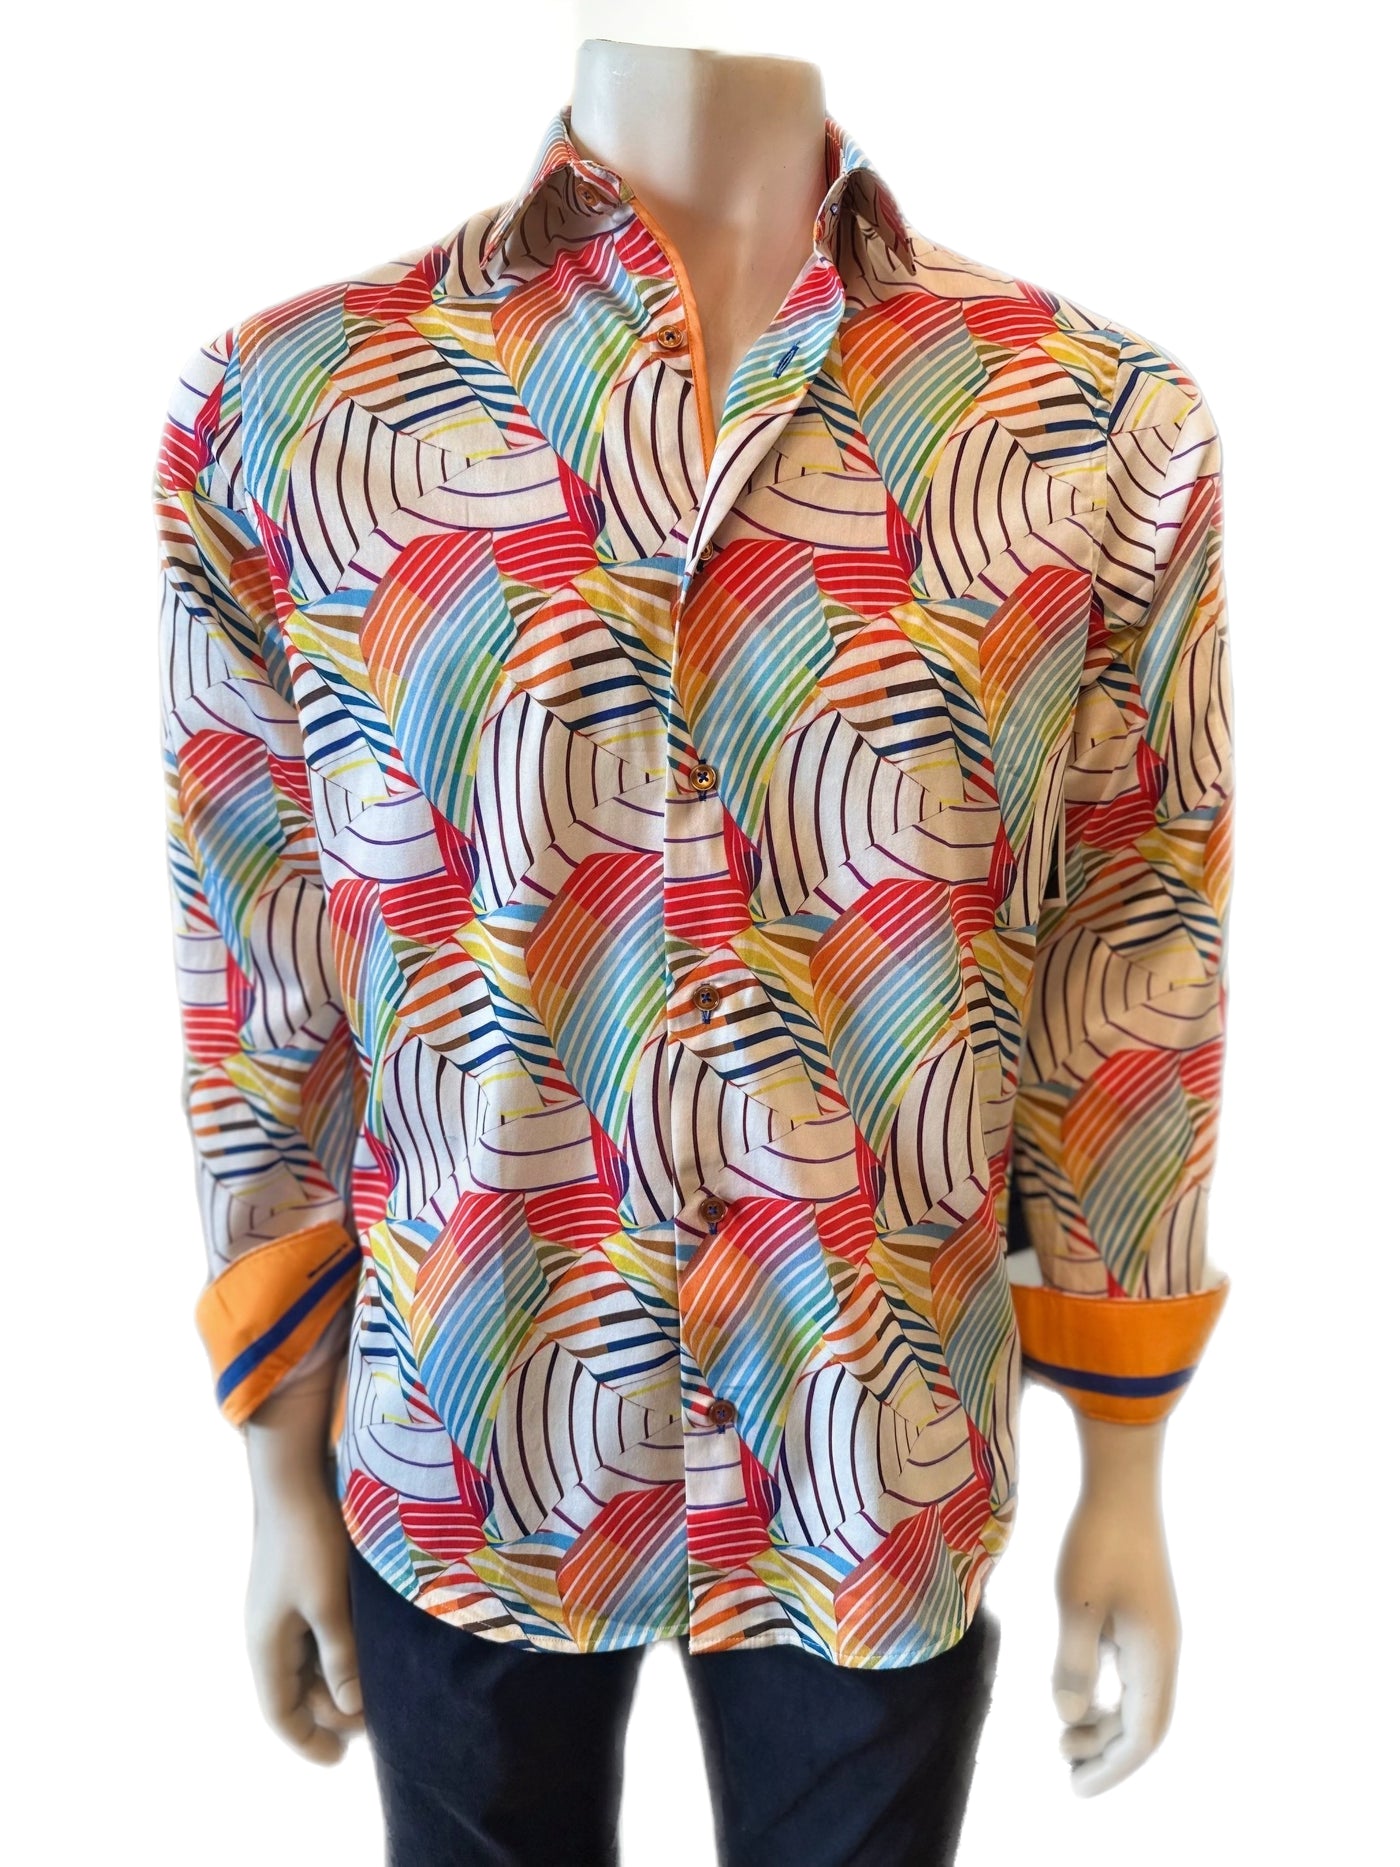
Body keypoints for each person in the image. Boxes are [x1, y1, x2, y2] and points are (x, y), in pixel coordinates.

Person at [152, 33, 1233, 1866]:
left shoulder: (1086, 422)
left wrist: (1124, 1465)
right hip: (470, 1409)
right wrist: (276, 1456)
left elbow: (1131, 962)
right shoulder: (295, 407)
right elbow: (259, 956)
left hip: (875, 1429)